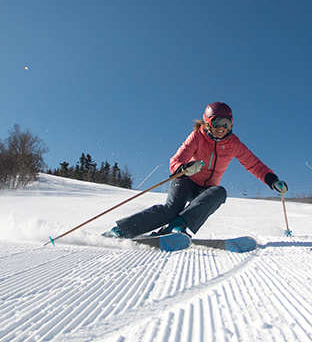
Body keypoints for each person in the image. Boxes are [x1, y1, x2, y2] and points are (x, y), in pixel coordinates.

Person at [106, 101, 287, 239]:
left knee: (219, 193)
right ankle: (122, 229)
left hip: (206, 190)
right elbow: (175, 161)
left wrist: (272, 180)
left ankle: (177, 226)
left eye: (226, 124)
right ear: (208, 122)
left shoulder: (233, 144)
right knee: (171, 209)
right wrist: (184, 169)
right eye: (217, 123)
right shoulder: (197, 136)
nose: (221, 129)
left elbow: (253, 164)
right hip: (186, 179)